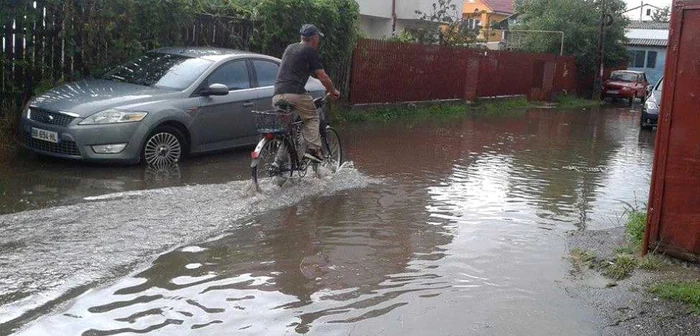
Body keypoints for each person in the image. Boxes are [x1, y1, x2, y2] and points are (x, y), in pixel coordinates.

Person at [272, 24, 341, 163]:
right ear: (314, 38)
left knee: (288, 131)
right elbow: (323, 77)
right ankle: (314, 150)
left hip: (277, 95)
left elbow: (295, 71)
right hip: (295, 94)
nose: (318, 41)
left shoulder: (290, 48)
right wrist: (332, 90)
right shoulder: (309, 51)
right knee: (312, 117)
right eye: (318, 38)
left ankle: (278, 163)